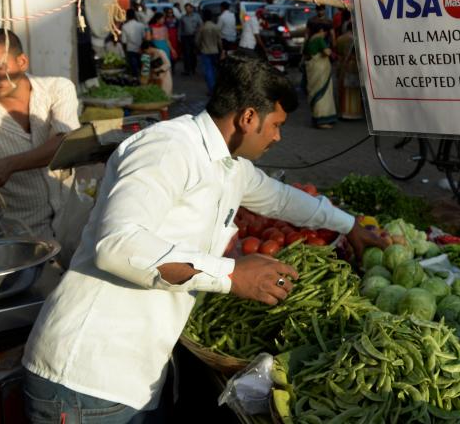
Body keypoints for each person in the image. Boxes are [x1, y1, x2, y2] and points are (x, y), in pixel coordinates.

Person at [21, 56, 387, 422]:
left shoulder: (229, 165)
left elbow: (280, 198)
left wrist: (348, 224)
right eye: (275, 125)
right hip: (85, 377)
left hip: (133, 374)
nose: (278, 137)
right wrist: (231, 275)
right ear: (247, 118)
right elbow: (117, 246)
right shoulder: (168, 148)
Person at [0, 29, 79, 238]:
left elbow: (66, 143)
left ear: (22, 62)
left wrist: (9, 165)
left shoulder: (58, 89)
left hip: (72, 223)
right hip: (22, 238)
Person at [304, 20, 337, 129]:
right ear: (321, 30)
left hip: (313, 69)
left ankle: (316, 118)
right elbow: (327, 52)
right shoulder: (319, 39)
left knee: (315, 92)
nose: (326, 34)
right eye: (326, 32)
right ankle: (322, 121)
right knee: (322, 94)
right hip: (320, 69)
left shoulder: (310, 39)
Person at [335, 18, 363, 120]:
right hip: (355, 65)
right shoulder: (358, 39)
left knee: (344, 89)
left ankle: (344, 112)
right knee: (355, 89)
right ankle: (355, 113)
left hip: (343, 65)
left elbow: (337, 51)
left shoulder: (340, 38)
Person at [195, 16, 223, 94]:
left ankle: (211, 89)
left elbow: (197, 41)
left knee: (208, 71)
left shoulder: (202, 28)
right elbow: (219, 40)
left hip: (205, 51)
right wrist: (221, 50)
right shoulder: (216, 27)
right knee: (215, 70)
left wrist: (199, 48)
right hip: (215, 51)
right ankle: (216, 88)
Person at [120, 9, 146, 77]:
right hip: (141, 49)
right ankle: (144, 81)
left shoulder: (124, 26)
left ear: (127, 16)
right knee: (142, 67)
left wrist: (124, 51)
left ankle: (135, 81)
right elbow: (144, 37)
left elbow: (124, 41)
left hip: (130, 50)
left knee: (133, 69)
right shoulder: (141, 25)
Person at [179, 3, 202, 75]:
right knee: (186, 54)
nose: (187, 10)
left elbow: (201, 25)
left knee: (193, 54)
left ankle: (193, 69)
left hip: (194, 37)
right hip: (185, 38)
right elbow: (180, 28)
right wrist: (179, 37)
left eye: (189, 8)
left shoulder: (197, 16)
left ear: (192, 8)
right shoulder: (183, 18)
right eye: (186, 9)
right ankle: (187, 70)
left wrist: (199, 34)